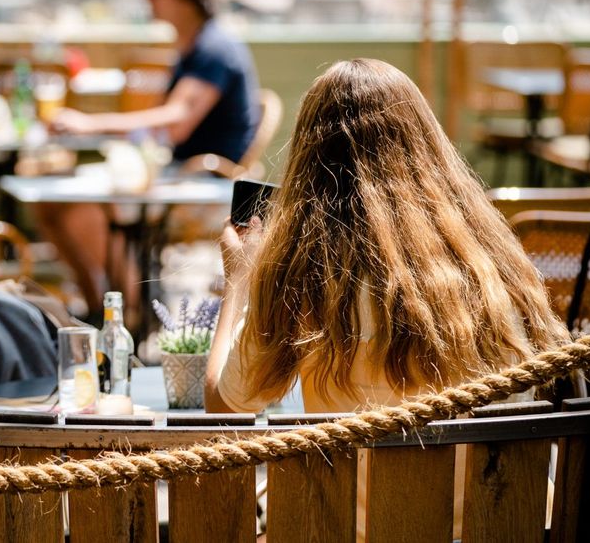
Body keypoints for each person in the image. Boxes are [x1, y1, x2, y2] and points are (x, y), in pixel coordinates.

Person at [206, 58, 569, 415]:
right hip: (487, 475)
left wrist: (239, 280)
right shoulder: (491, 270)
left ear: (309, 162)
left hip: (350, 476)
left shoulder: (303, 273)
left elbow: (225, 407)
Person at [37, 0, 261, 319]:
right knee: (49, 205)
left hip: (203, 185)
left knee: (80, 209)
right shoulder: (192, 47)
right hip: (175, 175)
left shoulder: (215, 49)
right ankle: (99, 308)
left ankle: (131, 312)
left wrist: (90, 124)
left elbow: (175, 121)